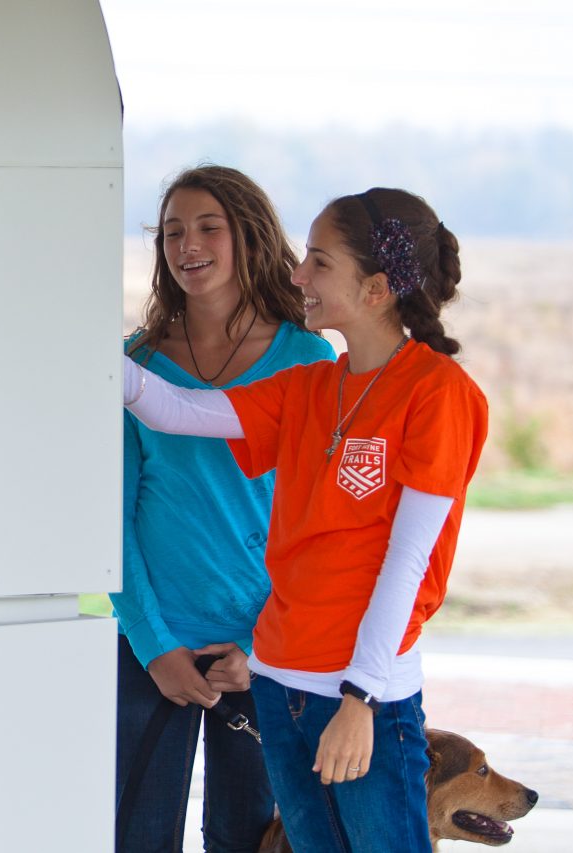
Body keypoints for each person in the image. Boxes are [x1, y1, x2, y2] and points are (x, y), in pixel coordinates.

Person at [122, 187, 488, 853]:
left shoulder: (438, 395)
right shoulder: (315, 385)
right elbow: (178, 410)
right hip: (280, 685)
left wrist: (360, 701)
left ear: (376, 288)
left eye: (318, 262)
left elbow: (407, 567)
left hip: (355, 693)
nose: (297, 275)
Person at [114, 165, 336, 853]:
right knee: (136, 836)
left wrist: (262, 643)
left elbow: (320, 524)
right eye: (174, 230)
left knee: (248, 839)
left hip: (265, 650)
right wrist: (154, 647)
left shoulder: (307, 360)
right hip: (152, 645)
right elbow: (108, 519)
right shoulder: (136, 363)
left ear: (249, 237)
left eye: (209, 226)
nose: (188, 243)